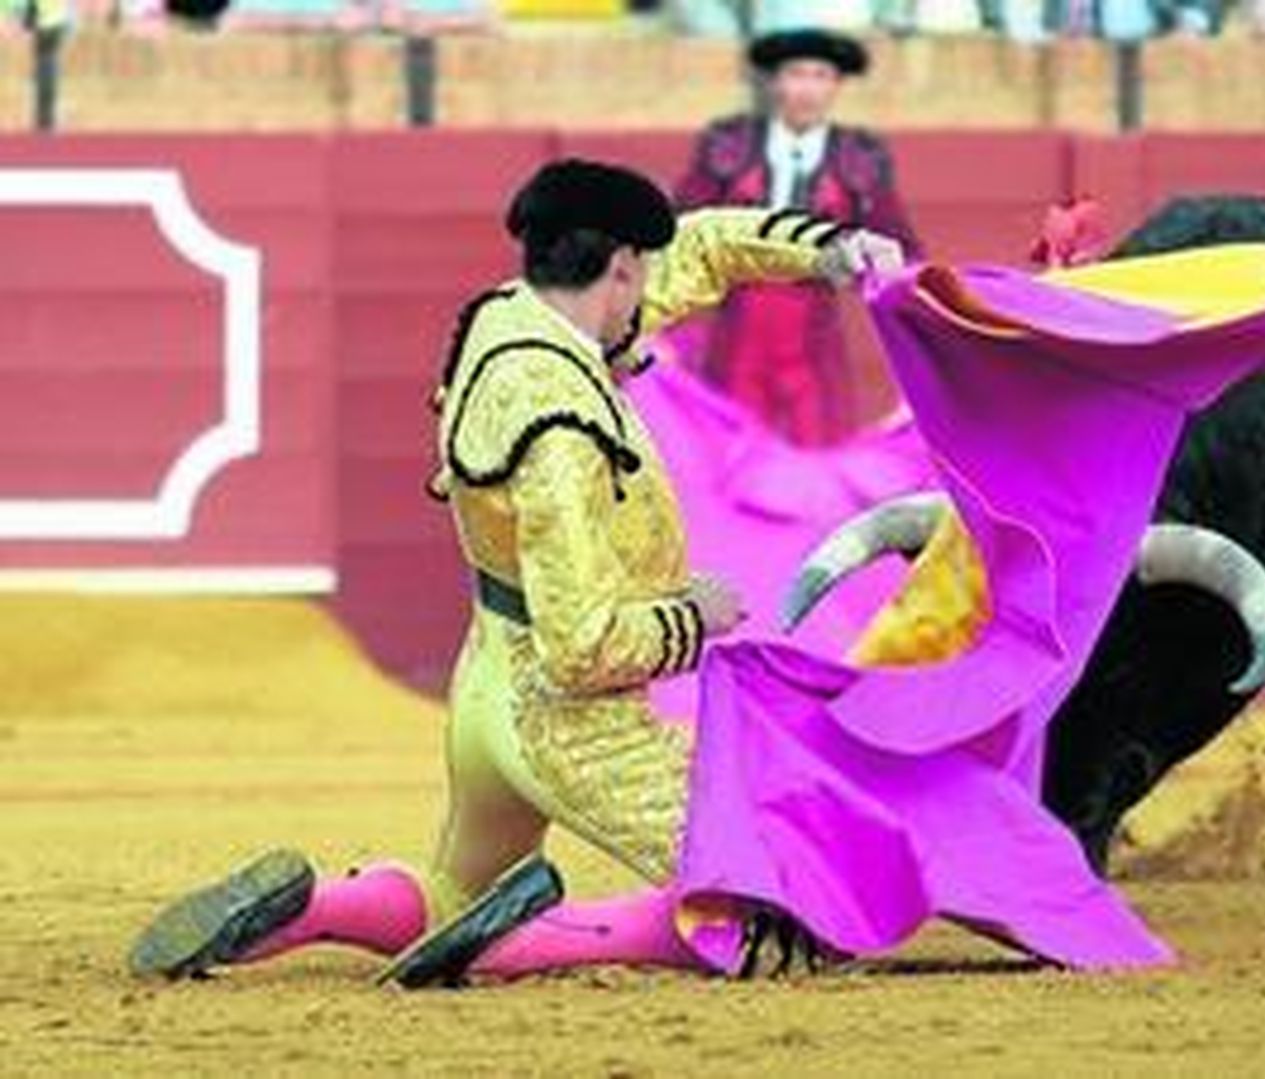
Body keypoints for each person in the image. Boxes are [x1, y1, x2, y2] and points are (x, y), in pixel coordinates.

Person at [127, 159, 904, 984]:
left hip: (486, 690)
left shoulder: (508, 323)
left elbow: (702, 247)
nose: (653, 293)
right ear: (620, 267)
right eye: (643, 274)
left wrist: (829, 249)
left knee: (457, 886)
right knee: (800, 899)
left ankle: (317, 907)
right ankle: (512, 946)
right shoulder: (560, 424)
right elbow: (582, 644)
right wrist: (693, 616)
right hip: (571, 721)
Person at [674, 27, 922, 446]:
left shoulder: (859, 156)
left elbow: (898, 248)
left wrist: (921, 349)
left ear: (837, 85)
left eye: (820, 75)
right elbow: (679, 230)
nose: (807, 89)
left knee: (820, 451)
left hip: (815, 332)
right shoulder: (727, 145)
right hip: (737, 327)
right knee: (733, 451)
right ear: (773, 82)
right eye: (796, 74)